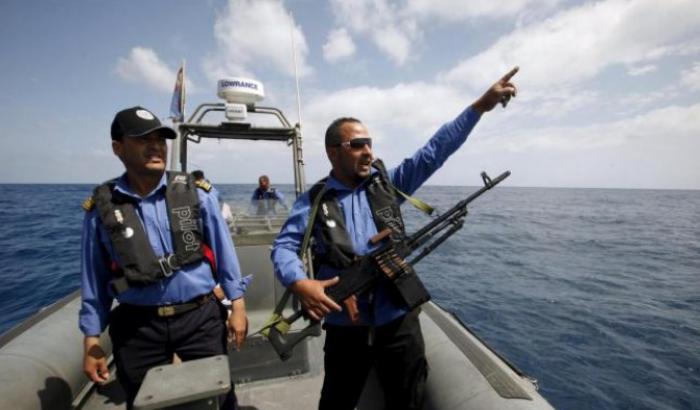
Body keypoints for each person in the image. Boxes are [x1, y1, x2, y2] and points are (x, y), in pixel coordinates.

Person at [271, 67, 519, 410]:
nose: (368, 152)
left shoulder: (389, 184)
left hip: (398, 320)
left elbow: (435, 150)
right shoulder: (313, 201)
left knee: (408, 400)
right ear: (333, 152)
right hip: (346, 328)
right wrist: (300, 284)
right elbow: (284, 247)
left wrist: (481, 105)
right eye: (356, 145)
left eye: (369, 144)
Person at [79, 106, 250, 409]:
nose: (156, 146)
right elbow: (94, 277)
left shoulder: (197, 193)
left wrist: (237, 306)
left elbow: (226, 255)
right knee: (144, 403)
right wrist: (91, 338)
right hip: (137, 326)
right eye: (143, 139)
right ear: (118, 148)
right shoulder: (101, 209)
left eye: (161, 139)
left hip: (200, 318)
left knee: (222, 400)